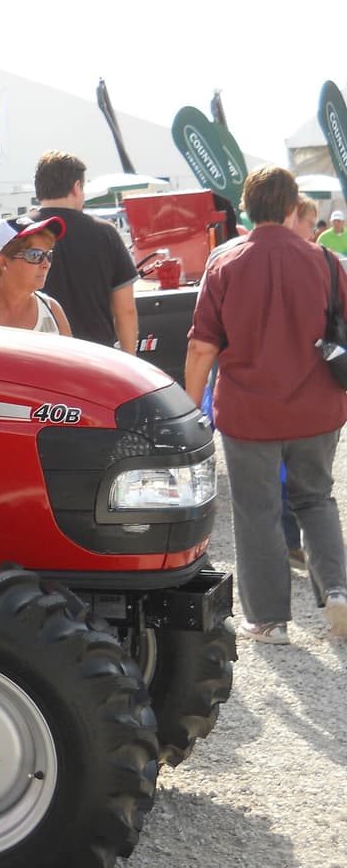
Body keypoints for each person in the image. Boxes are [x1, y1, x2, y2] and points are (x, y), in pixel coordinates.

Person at [185, 165, 347, 644]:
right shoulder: (327, 262)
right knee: (316, 499)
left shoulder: (224, 263)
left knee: (256, 511)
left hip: (249, 413)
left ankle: (270, 622)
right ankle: (336, 590)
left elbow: (201, 348)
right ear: (293, 206)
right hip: (318, 408)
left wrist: (191, 413)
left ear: (248, 206)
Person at [32, 151, 138, 352]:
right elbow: (126, 311)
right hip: (95, 357)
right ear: (76, 187)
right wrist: (130, 361)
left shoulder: (18, 231)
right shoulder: (106, 233)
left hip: (35, 355)